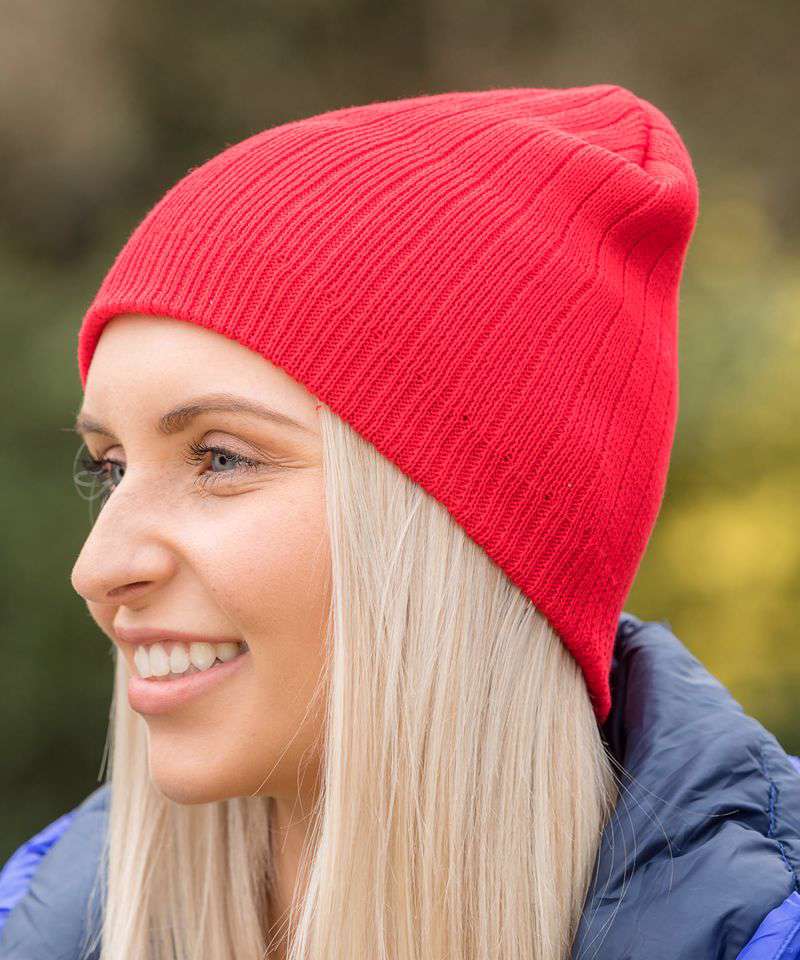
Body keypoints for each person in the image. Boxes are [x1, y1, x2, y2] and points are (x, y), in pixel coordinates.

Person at [0, 84, 798, 960]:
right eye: (111, 467)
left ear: (461, 530)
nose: (97, 568)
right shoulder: (35, 921)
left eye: (221, 458)